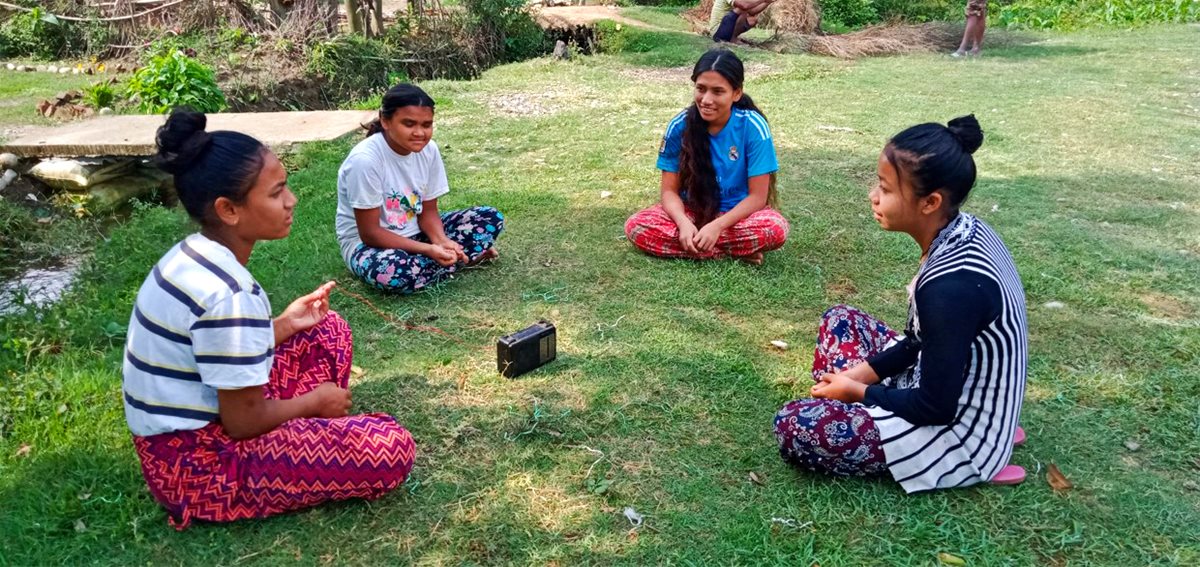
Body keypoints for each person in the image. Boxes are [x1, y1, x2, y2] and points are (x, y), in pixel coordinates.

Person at [124, 109, 416, 530]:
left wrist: (286, 323)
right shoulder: (229, 295)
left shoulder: (192, 256)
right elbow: (242, 422)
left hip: (182, 438)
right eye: (277, 192)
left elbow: (212, 351)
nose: (291, 200)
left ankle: (309, 431)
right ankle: (310, 434)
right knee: (389, 448)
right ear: (229, 209)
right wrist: (313, 403)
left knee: (326, 330)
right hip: (200, 468)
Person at [773, 115, 1029, 492]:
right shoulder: (964, 229)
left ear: (930, 202)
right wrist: (860, 375)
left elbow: (936, 408)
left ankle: (873, 415)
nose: (873, 197)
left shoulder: (949, 287)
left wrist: (859, 392)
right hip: (944, 381)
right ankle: (865, 405)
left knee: (795, 425)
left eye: (886, 189)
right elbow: (918, 339)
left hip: (958, 433)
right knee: (840, 320)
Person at [625, 48, 789, 265]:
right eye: (701, 89)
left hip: (737, 217)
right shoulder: (679, 126)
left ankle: (697, 245)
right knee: (637, 226)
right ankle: (734, 252)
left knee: (775, 228)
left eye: (718, 91)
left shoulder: (753, 126)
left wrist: (717, 226)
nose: (706, 100)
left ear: (736, 93)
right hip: (692, 213)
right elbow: (669, 191)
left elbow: (757, 198)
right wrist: (683, 223)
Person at [336, 83, 504, 294]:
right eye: (409, 124)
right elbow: (370, 233)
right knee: (394, 272)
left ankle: (441, 262)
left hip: (417, 232)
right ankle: (458, 261)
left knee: (489, 218)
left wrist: (442, 242)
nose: (419, 133)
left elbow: (428, 211)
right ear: (385, 120)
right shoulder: (365, 161)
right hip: (370, 247)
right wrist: (428, 249)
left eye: (427, 125)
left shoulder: (429, 150)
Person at [708, 0, 777, 44]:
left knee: (752, 20)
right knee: (741, 9)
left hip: (727, 27)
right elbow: (744, 6)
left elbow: (752, 12)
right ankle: (732, 39)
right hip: (717, 32)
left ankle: (732, 36)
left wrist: (768, 2)